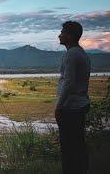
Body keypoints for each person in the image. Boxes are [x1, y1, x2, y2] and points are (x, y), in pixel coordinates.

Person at [55, 21, 91, 174]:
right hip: (79, 105)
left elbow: (68, 83)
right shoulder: (82, 53)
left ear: (70, 36)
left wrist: (58, 106)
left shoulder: (71, 54)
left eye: (62, 32)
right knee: (78, 145)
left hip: (70, 107)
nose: (59, 35)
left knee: (69, 148)